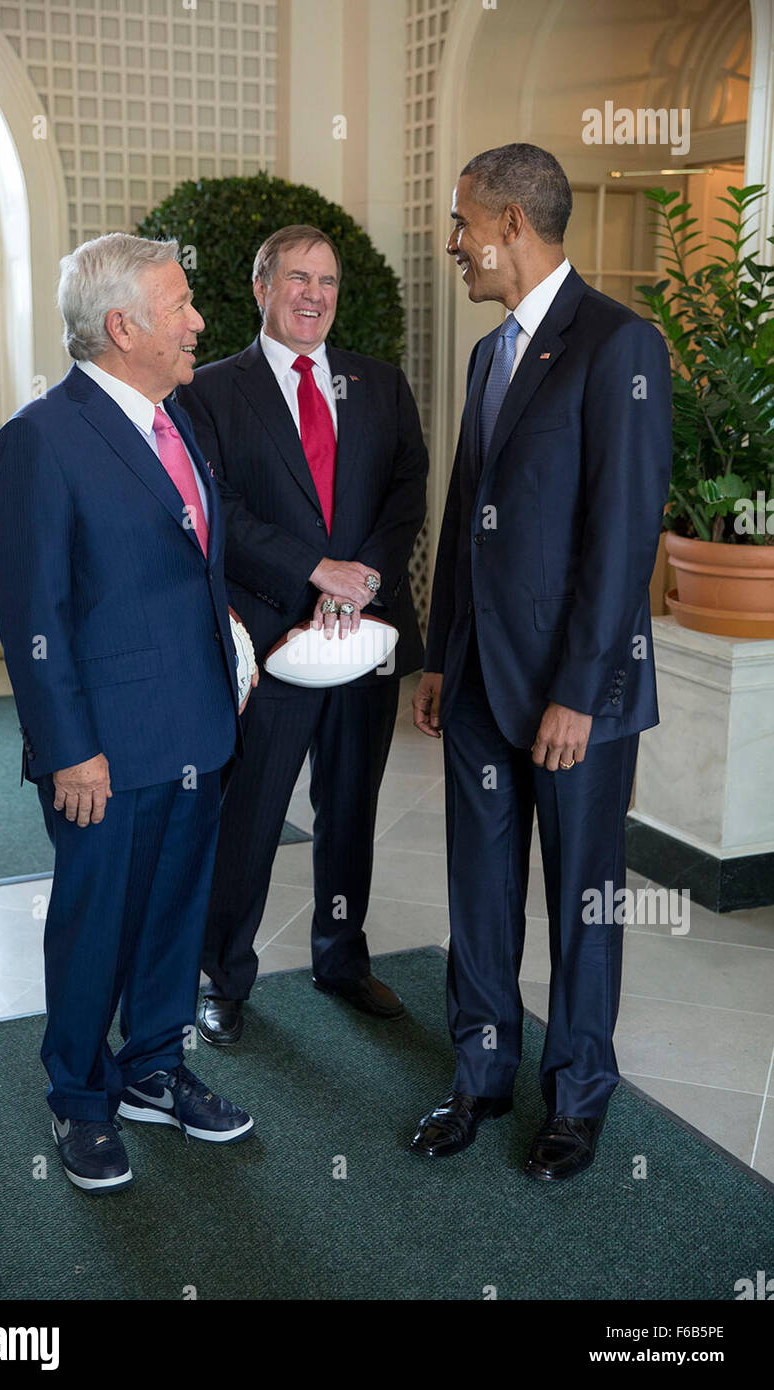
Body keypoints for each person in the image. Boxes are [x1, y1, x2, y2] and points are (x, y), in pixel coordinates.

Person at [410, 145, 672, 1180]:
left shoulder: (620, 345)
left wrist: (577, 691)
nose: (452, 243)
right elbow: (464, 510)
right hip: (476, 682)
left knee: (578, 902)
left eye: (462, 221)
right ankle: (477, 1075)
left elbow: (621, 540)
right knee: (477, 890)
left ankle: (575, 1098)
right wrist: (438, 654)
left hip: (575, 701)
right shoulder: (487, 354)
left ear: (512, 222)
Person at [0, 233, 255, 1195]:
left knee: (175, 917)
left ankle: (153, 1067)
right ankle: (81, 1099)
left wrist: (228, 644)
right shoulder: (39, 440)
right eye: (180, 305)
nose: (198, 321)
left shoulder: (174, 420)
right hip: (103, 749)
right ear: (121, 326)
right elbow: (34, 616)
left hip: (195, 727)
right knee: (96, 925)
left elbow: (179, 562)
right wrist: (69, 751)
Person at [177, 225, 428, 1046]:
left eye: (325, 280)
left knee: (350, 808)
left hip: (363, 637)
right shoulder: (210, 391)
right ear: (261, 288)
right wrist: (316, 570)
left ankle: (342, 959)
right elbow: (217, 510)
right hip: (272, 636)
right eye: (296, 277)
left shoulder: (380, 384)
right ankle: (223, 974)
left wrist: (365, 580)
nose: (313, 294)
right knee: (251, 813)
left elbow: (406, 491)